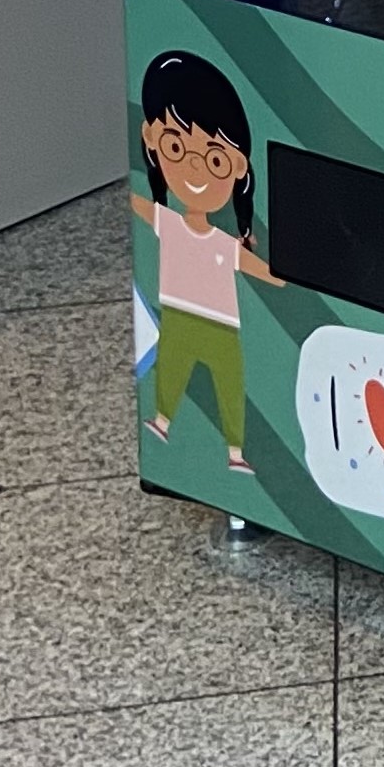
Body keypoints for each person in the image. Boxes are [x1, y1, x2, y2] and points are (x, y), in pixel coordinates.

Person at [131, 52, 272, 473]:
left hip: (221, 327)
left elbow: (254, 268)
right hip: (180, 314)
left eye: (214, 159)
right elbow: (140, 205)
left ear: (238, 170)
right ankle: (162, 420)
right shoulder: (171, 224)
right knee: (171, 373)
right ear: (152, 142)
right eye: (175, 146)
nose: (194, 167)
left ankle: (234, 451)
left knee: (230, 387)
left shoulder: (221, 240)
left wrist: (280, 273)